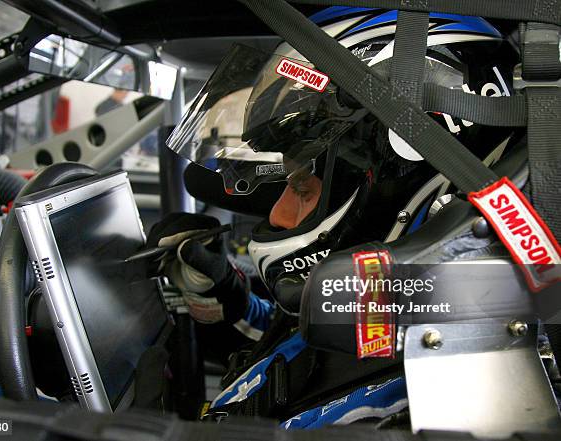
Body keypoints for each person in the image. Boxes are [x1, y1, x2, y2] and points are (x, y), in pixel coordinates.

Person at [147, 6, 521, 427]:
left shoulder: (450, 383)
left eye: (303, 186)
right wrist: (228, 300)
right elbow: (299, 351)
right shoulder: (385, 312)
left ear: (403, 169)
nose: (278, 214)